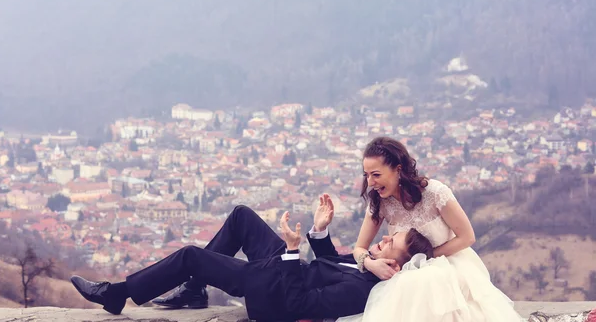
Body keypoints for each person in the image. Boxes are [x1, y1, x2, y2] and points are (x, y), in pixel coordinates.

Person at [70, 203, 433, 321]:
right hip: (285, 270)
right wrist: (319, 232)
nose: (382, 238)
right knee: (243, 216)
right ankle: (195, 290)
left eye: (390, 243)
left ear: (396, 268)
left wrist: (291, 252)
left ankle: (118, 294)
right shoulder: (367, 269)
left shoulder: (361, 293)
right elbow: (328, 267)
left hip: (269, 293)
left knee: (190, 255)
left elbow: (298, 305)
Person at [338, 136, 524, 322]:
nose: (370, 182)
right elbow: (359, 248)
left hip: (450, 268)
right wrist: (371, 264)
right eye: (367, 175)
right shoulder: (380, 202)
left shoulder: (435, 193)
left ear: (398, 170)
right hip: (406, 278)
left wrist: (425, 259)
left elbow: (467, 237)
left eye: (376, 175)